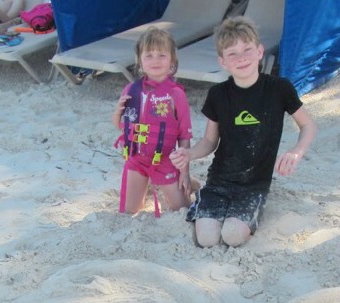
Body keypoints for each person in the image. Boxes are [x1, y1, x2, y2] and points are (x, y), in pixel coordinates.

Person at [170, 16, 317, 248]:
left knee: (233, 236)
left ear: (260, 51)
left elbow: (308, 125)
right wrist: (188, 154)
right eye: (233, 54)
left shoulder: (279, 89)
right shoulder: (218, 94)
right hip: (220, 179)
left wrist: (296, 153)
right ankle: (203, 192)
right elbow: (209, 141)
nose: (242, 58)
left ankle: (243, 214)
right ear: (223, 62)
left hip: (254, 185)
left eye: (247, 50)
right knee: (207, 238)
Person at [112, 26, 193, 215]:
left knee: (181, 209)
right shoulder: (131, 90)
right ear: (139, 61)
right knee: (128, 211)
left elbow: (184, 136)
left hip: (164, 160)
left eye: (161, 55)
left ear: (172, 61)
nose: (155, 60)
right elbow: (121, 127)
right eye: (149, 55)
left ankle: (190, 184)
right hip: (135, 159)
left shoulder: (176, 94)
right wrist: (117, 113)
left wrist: (185, 172)